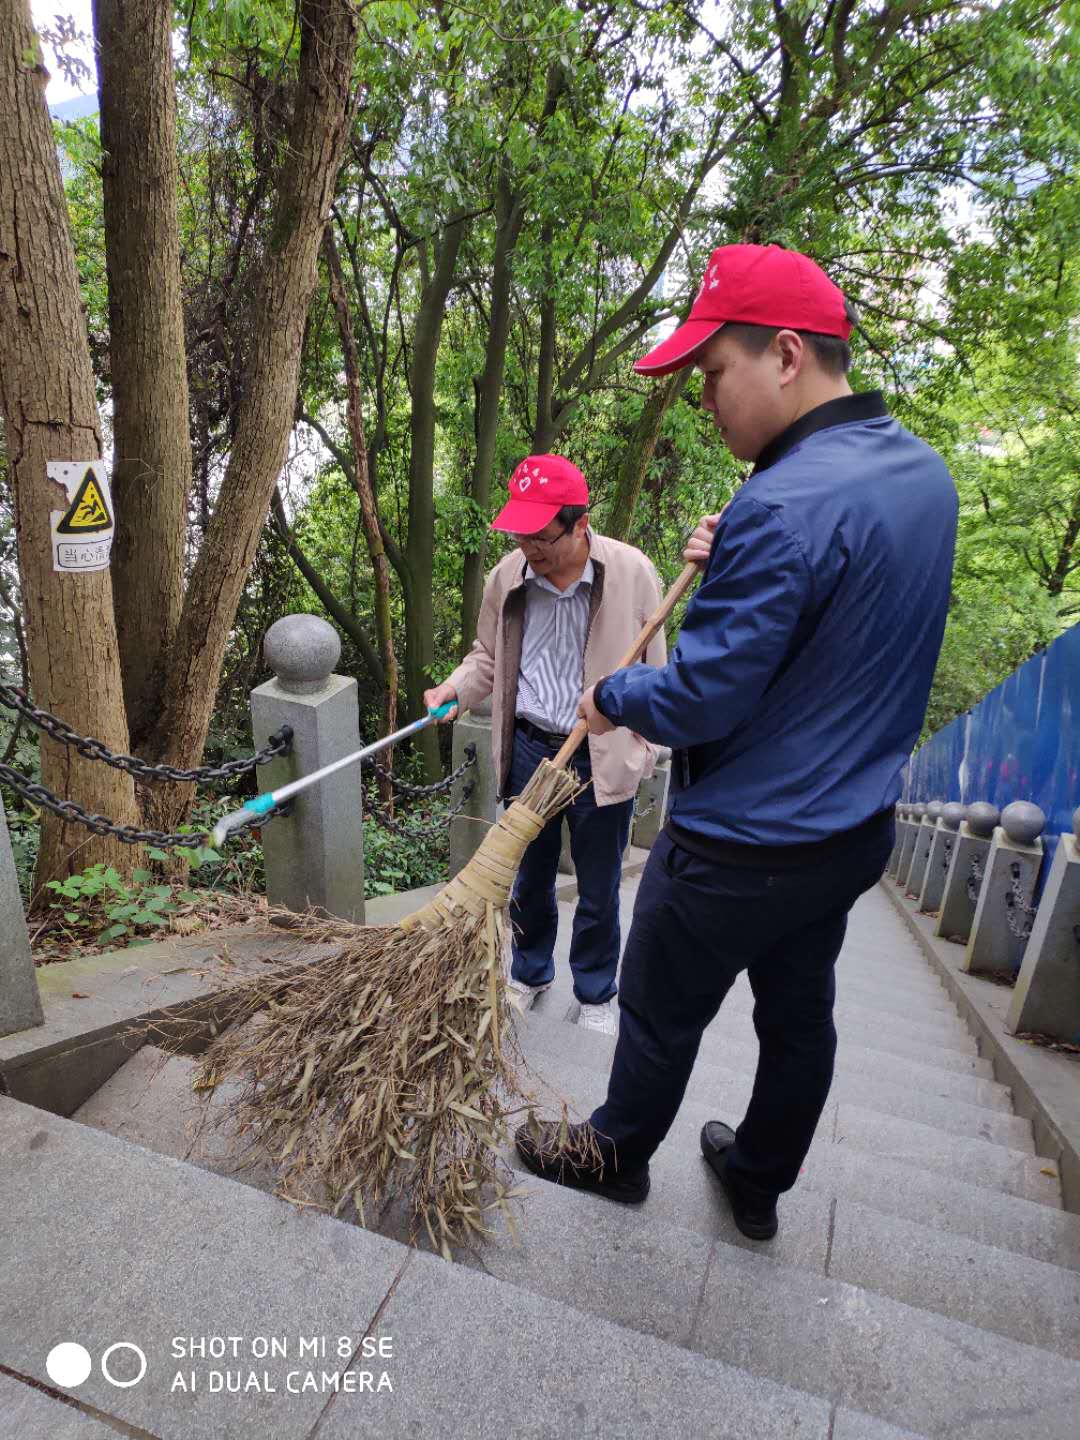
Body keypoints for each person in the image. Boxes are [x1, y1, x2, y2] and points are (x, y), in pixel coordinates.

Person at [514, 243, 958, 1239]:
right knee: (800, 1012)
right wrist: (742, 557)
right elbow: (830, 629)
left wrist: (613, 690)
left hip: (742, 841)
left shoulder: (781, 505)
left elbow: (708, 696)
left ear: (788, 355)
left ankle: (616, 1151)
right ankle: (756, 1179)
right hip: (847, 833)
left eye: (714, 374)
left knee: (662, 1001)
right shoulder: (920, 476)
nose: (704, 400)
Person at [424, 454, 665, 1035]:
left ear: (580, 524)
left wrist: (642, 749)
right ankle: (530, 975)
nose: (529, 545)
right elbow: (487, 656)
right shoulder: (509, 576)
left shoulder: (632, 574)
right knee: (527, 874)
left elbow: (655, 676)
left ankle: (595, 990)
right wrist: (455, 690)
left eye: (541, 534)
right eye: (520, 532)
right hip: (532, 744)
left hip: (598, 750)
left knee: (600, 882)